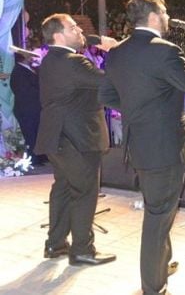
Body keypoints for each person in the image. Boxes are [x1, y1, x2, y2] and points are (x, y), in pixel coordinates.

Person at [99, 0, 185, 295]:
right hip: (165, 150)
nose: (169, 18)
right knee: (158, 219)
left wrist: (137, 110)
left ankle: (161, 266)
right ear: (155, 16)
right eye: (166, 12)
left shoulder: (117, 52)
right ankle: (153, 286)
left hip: (140, 147)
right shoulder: (165, 51)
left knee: (160, 210)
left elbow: (105, 96)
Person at [35, 14, 116, 267]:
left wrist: (93, 40)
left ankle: (56, 243)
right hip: (78, 138)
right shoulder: (74, 62)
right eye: (73, 27)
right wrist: (113, 52)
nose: (79, 29)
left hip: (56, 136)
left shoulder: (51, 60)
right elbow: (109, 82)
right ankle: (82, 249)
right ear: (58, 36)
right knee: (84, 192)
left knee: (63, 189)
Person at [10, 52, 43, 164]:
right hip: (26, 108)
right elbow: (25, 91)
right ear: (23, 57)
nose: (32, 58)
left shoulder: (30, 69)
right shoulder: (19, 71)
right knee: (30, 134)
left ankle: (40, 155)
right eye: (29, 56)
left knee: (37, 133)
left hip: (34, 107)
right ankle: (33, 158)